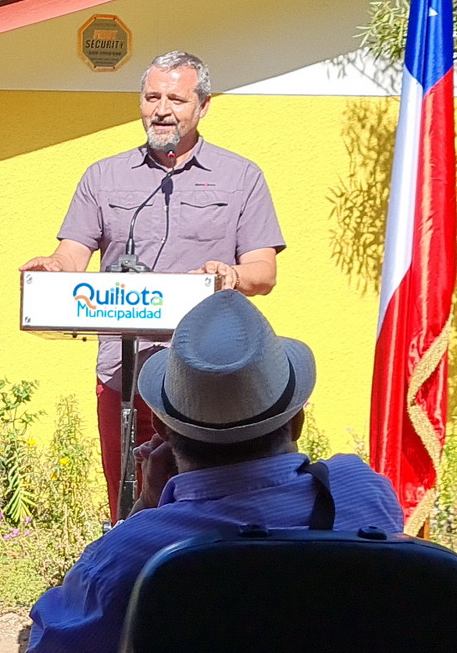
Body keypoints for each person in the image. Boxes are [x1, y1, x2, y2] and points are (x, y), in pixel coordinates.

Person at [23, 291, 404, 653]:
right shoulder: (364, 494)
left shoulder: (136, 553)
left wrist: (148, 506)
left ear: (161, 431)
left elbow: (50, 644)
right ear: (296, 424)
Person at [20, 50, 287, 522]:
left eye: (176, 98)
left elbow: (263, 271)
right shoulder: (103, 177)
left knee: (208, 495)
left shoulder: (241, 176)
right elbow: (72, 254)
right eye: (151, 97)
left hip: (207, 374)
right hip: (122, 373)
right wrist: (54, 267)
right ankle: (130, 578)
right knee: (128, 493)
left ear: (203, 106)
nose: (161, 109)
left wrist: (230, 276)